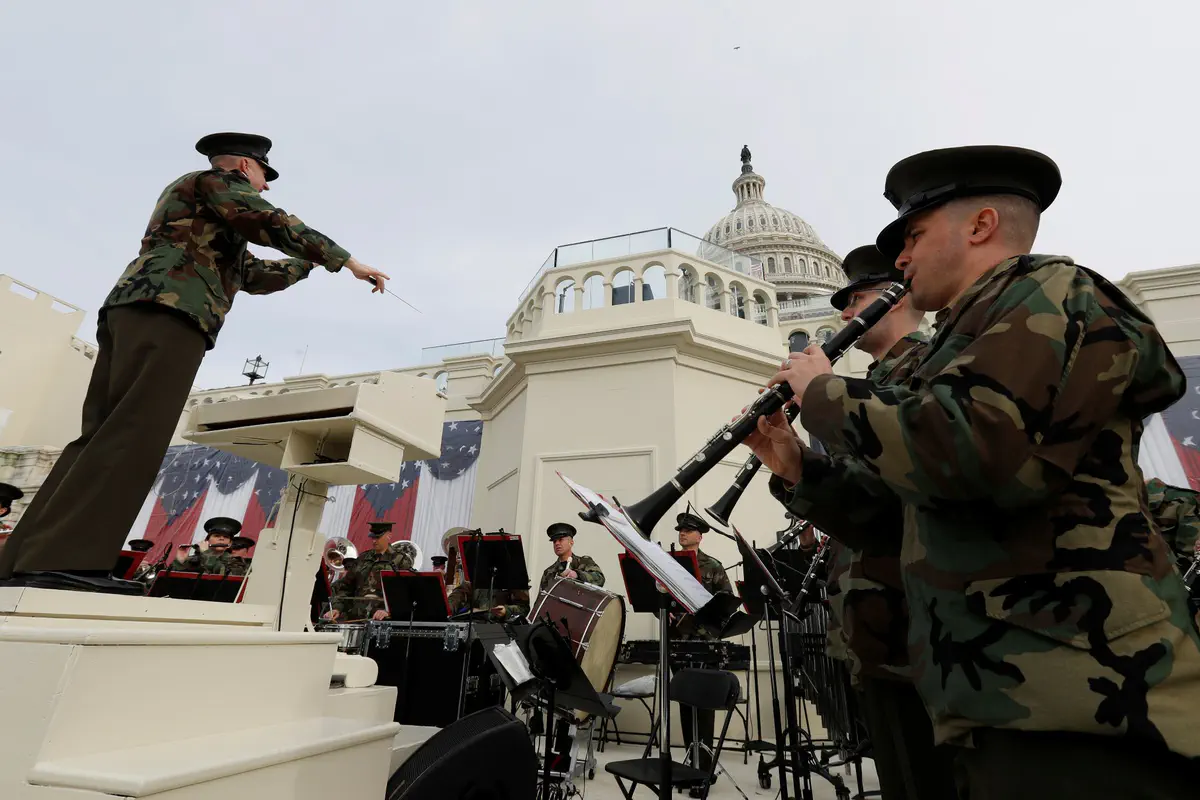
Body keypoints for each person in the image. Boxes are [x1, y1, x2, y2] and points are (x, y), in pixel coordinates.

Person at [749, 145, 1200, 799]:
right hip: (999, 687)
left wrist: (824, 397)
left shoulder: (1045, 292)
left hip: (1082, 687)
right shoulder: (970, 335)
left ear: (981, 226)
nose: (900, 258)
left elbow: (983, 455)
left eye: (915, 234)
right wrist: (795, 466)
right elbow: (901, 512)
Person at [0, 132, 390, 596]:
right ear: (245, 167)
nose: (265, 186)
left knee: (101, 433)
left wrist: (313, 266)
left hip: (140, 308)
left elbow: (254, 275)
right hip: (171, 311)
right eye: (264, 176)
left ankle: (27, 559)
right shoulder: (216, 182)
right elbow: (271, 220)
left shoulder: (208, 212)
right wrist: (348, 262)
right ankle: (68, 561)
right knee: (136, 432)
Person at [768, 244, 955, 800]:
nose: (847, 314)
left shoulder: (936, 365)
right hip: (874, 631)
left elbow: (920, 482)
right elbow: (867, 504)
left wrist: (826, 393)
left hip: (924, 630)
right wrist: (793, 463)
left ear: (897, 297)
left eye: (858, 299)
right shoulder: (866, 384)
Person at [669, 510, 733, 789]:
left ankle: (704, 769)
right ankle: (688, 764)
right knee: (685, 701)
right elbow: (661, 600)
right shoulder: (670, 564)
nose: (682, 533)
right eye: (680, 530)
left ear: (699, 535)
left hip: (705, 643)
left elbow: (729, 604)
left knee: (704, 705)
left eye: (688, 530)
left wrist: (708, 618)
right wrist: (666, 613)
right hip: (679, 643)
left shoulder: (713, 566)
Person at [327, 522, 415, 622]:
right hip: (356, 618)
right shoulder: (362, 558)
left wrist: (389, 610)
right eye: (372, 537)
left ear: (389, 536)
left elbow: (407, 592)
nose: (374, 541)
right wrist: (337, 608)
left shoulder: (400, 560)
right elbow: (345, 587)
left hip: (382, 621)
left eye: (378, 537)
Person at [537, 522, 604, 594]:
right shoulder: (549, 572)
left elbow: (600, 579)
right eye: (554, 541)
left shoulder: (584, 562)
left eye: (560, 539)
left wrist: (577, 575)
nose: (556, 543)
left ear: (571, 542)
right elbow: (542, 598)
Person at [173, 517, 241, 574]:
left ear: (230, 544)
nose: (221, 538)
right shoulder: (195, 559)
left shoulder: (236, 562)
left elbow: (222, 573)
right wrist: (180, 561)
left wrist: (206, 553)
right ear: (207, 541)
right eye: (217, 536)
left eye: (226, 537)